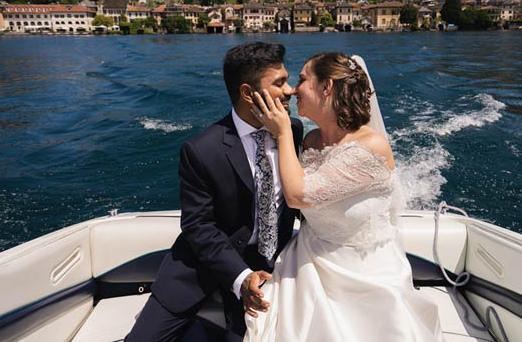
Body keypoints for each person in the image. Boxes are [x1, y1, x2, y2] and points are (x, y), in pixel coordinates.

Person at [244, 52, 444, 341]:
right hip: (308, 257)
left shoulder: (369, 148)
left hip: (364, 270)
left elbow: (298, 196)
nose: (293, 89)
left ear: (327, 88)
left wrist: (284, 132)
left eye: (302, 80)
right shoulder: (311, 141)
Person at [127, 42, 304, 341]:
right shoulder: (201, 150)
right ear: (248, 93)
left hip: (268, 264)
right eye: (279, 83)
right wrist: (241, 276)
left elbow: (301, 197)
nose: (290, 91)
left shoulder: (293, 131)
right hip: (201, 264)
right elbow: (198, 226)